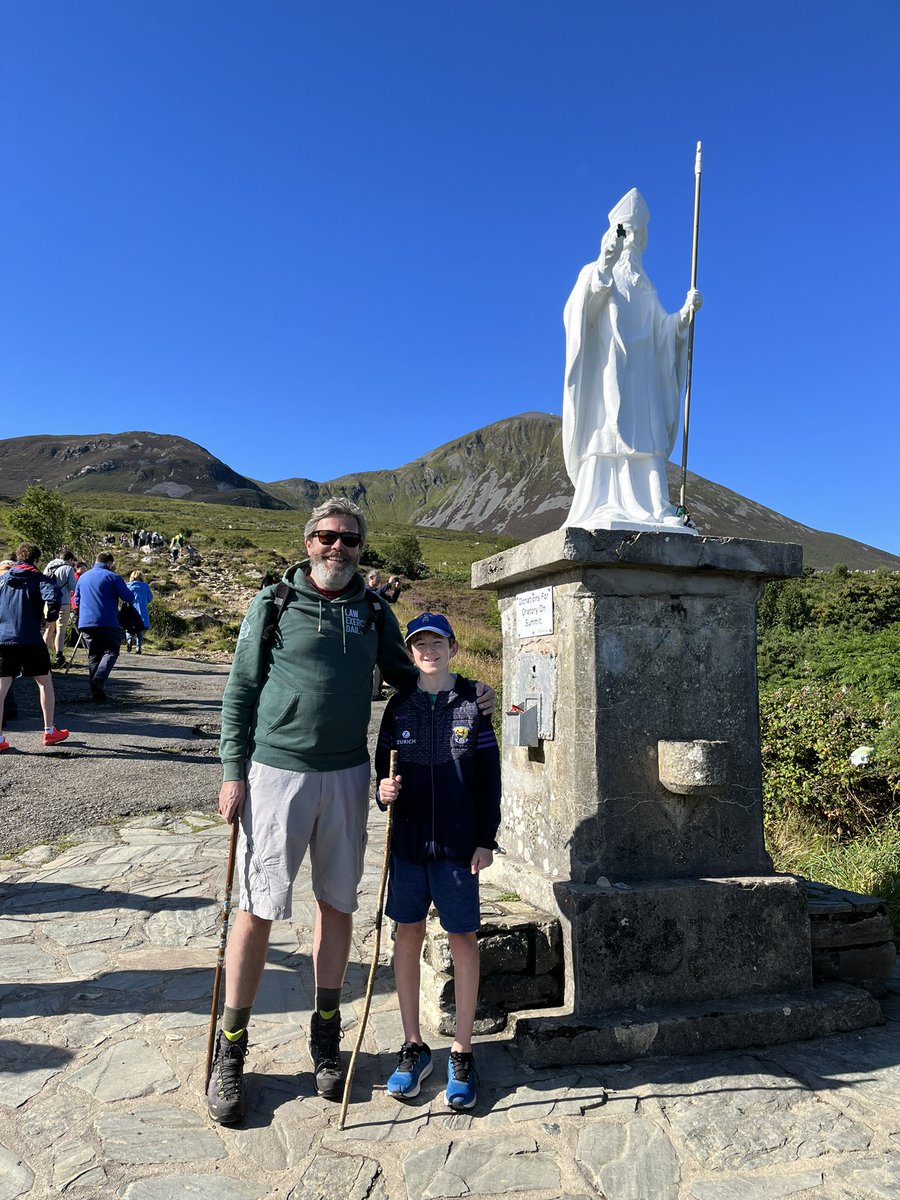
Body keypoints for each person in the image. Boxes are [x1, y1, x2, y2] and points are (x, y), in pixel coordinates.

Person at [207, 497, 494, 1124]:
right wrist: (233, 773)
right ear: (308, 541)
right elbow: (241, 691)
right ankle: (231, 1050)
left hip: (345, 774)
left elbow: (410, 674)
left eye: (349, 540)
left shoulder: (372, 612)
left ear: (361, 549)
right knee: (256, 911)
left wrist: (472, 697)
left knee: (336, 905)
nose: (338, 548)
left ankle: (325, 1038)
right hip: (275, 771)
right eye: (327, 537)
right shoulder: (273, 604)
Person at [376, 612, 500, 1110]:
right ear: (410, 654)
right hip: (407, 846)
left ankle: (463, 1051)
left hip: (456, 847)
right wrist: (383, 793)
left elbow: (489, 777)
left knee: (462, 938)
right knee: (406, 934)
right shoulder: (398, 706)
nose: (428, 650)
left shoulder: (475, 702)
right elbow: (381, 774)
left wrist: (485, 838)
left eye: (437, 642)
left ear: (453, 647)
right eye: (419, 643)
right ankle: (413, 1046)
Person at [561, 187, 703, 532]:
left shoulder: (645, 285)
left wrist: (684, 315)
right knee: (608, 432)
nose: (634, 242)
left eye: (640, 235)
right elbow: (580, 314)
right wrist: (603, 267)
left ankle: (656, 504)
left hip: (643, 377)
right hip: (611, 374)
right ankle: (602, 500)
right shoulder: (595, 272)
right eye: (630, 233)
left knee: (648, 436)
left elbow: (662, 331)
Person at [0, 544, 69, 751]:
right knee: (44, 683)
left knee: (1, 688)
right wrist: (50, 618)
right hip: (30, 639)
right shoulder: (39, 579)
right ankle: (49, 731)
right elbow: (53, 597)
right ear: (36, 560)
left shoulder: (3, 580)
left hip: (3, 639)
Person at [73, 552, 134, 702]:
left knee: (94, 655)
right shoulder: (113, 577)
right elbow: (128, 597)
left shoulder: (83, 578)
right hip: (107, 621)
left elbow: (76, 599)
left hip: (86, 623)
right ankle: (98, 680)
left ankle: (97, 693)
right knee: (111, 651)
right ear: (109, 563)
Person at [43, 549, 77, 669]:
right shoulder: (68, 569)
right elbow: (73, 587)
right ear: (70, 559)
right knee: (60, 630)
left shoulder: (49, 566)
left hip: (48, 602)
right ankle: (59, 656)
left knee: (48, 629)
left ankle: (43, 656)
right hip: (63, 602)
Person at [126, 571, 153, 654]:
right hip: (142, 610)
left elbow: (124, 596)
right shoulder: (145, 586)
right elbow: (150, 598)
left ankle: (129, 642)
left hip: (130, 609)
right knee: (140, 629)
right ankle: (138, 647)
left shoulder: (128, 585)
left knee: (128, 627)